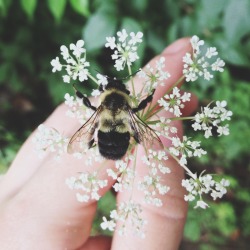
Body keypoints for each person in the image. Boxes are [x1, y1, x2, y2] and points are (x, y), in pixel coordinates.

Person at [0, 38, 197, 250]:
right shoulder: (130, 110)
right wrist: (149, 101)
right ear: (125, 97)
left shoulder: (99, 110)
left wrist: (79, 94)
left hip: (106, 144)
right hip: (119, 142)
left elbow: (88, 113)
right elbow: (141, 112)